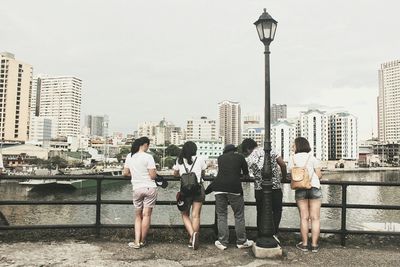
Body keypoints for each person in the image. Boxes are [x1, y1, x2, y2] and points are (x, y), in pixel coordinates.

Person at [241, 138, 287, 239]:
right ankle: (274, 233)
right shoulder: (271, 150)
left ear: (248, 149)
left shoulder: (249, 158)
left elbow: (244, 173)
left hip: (259, 188)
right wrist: (283, 178)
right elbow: (283, 165)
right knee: (276, 210)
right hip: (275, 187)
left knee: (260, 211)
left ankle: (261, 234)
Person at [212, 144, 254, 250]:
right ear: (235, 150)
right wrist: (241, 175)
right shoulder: (240, 157)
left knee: (221, 215)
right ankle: (241, 241)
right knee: (238, 215)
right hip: (234, 188)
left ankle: (222, 242)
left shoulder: (220, 158)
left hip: (219, 188)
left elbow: (223, 172)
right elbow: (246, 173)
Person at [287, 137, 323, 253]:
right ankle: (314, 245)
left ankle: (304, 244)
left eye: (294, 145)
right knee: (315, 218)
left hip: (300, 188)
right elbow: (319, 175)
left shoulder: (292, 158)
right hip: (314, 187)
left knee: (304, 217)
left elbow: (290, 174)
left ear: (297, 146)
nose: (293, 146)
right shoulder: (312, 158)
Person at [123, 137, 157, 249]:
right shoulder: (148, 157)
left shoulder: (130, 156)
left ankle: (136, 242)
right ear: (145, 145)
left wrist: (136, 175)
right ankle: (143, 241)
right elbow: (153, 176)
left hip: (137, 188)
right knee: (146, 215)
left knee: (138, 216)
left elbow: (125, 173)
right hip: (149, 187)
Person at [173, 141, 207, 250]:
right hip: (198, 188)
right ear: (195, 149)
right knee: (196, 215)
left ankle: (192, 236)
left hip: (185, 190)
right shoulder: (200, 159)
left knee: (184, 214)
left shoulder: (179, 160)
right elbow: (203, 173)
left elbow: (174, 173)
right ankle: (193, 239)